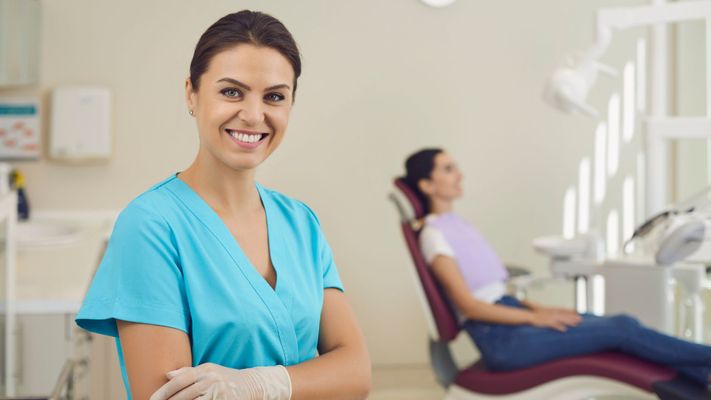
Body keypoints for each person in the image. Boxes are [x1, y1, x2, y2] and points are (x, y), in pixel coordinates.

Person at [76, 11, 371, 400]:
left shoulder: (300, 222)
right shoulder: (151, 226)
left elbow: (356, 372)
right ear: (191, 94)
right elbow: (166, 396)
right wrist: (309, 380)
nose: (253, 115)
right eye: (231, 91)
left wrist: (260, 384)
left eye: (274, 96)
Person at [403, 147, 711, 388]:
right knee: (623, 331)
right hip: (501, 340)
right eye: (448, 169)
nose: (459, 174)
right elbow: (470, 306)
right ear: (427, 184)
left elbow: (493, 292)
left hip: (509, 319)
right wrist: (536, 317)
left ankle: (702, 382)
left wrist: (540, 309)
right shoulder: (434, 235)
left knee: (622, 324)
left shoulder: (457, 225)